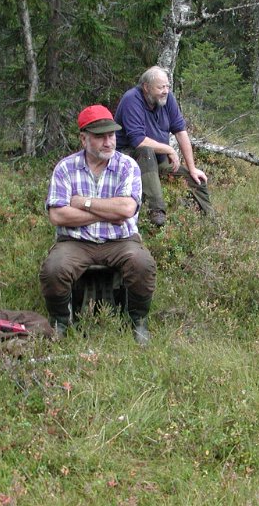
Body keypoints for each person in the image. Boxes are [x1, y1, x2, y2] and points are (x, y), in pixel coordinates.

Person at [39, 105, 157, 345]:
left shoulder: (127, 166)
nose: (108, 142)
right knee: (53, 269)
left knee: (142, 264)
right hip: (75, 242)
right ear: (84, 139)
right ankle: (60, 322)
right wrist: (107, 212)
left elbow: (126, 210)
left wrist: (84, 203)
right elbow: (58, 216)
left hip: (121, 241)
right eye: (100, 136)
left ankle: (138, 321)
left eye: (111, 135)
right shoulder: (65, 168)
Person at [115, 66, 214, 226]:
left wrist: (192, 167)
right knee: (146, 151)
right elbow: (138, 141)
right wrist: (168, 149)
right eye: (161, 87)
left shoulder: (167, 99)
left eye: (167, 86)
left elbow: (181, 132)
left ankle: (210, 220)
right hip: (130, 159)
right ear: (146, 87)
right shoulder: (131, 100)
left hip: (158, 160)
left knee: (197, 180)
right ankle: (156, 211)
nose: (166, 90)